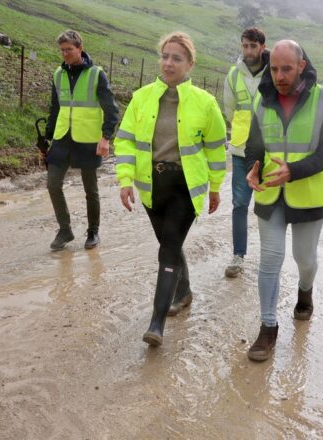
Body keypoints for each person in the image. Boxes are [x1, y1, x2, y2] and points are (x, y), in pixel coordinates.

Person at [115, 32, 227, 346]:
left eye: (176, 58)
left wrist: (215, 187)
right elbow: (125, 141)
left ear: (190, 64)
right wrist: (125, 179)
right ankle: (184, 291)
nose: (168, 63)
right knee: (170, 243)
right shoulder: (141, 98)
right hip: (152, 185)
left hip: (185, 187)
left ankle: (157, 323)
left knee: (167, 249)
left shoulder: (205, 103)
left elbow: (216, 149)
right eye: (165, 56)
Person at [244, 40, 323, 362]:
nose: (279, 76)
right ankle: (268, 328)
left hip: (309, 195)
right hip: (271, 192)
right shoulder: (262, 98)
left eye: (286, 69)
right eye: (274, 69)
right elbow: (254, 145)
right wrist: (252, 168)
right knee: (270, 259)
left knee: (305, 258)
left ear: (301, 66)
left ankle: (305, 291)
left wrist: (294, 171)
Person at [45, 30, 119, 251]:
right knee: (52, 184)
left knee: (90, 189)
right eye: (62, 50)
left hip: (87, 139)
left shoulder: (96, 74)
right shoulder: (58, 74)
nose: (65, 54)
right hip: (62, 138)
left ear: (80, 48)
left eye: (69, 49)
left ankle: (93, 231)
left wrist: (106, 137)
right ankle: (65, 230)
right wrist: (48, 136)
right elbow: (55, 107)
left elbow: (111, 109)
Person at [223, 27, 269, 279]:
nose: (248, 50)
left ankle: (270, 256)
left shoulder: (273, 71)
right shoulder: (233, 75)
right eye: (245, 46)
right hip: (241, 151)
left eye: (253, 46)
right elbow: (229, 110)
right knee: (240, 204)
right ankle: (238, 256)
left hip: (269, 151)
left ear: (262, 46)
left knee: (269, 206)